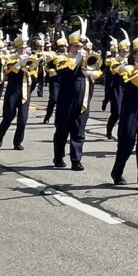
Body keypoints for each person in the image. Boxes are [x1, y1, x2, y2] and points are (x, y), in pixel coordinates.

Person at [111, 32, 138, 192]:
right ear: (134, 54)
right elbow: (130, 85)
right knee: (126, 144)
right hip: (130, 111)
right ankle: (117, 172)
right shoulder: (126, 68)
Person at [52, 27, 97, 171]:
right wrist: (77, 60)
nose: (79, 49)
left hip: (82, 102)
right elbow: (63, 74)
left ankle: (76, 160)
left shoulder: (86, 60)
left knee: (79, 132)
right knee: (62, 131)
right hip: (66, 101)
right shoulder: (62, 58)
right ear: (70, 46)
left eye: (81, 47)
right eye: (76, 46)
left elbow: (98, 73)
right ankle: (58, 157)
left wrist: (91, 72)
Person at [0, 31, 36, 151]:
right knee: (8, 116)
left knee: (23, 119)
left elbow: (34, 73)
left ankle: (17, 142)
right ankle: (0, 135)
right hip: (13, 90)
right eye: (21, 48)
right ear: (16, 48)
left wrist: (31, 64)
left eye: (25, 47)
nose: (24, 50)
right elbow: (7, 71)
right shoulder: (10, 58)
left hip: (25, 90)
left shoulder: (30, 58)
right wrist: (19, 62)